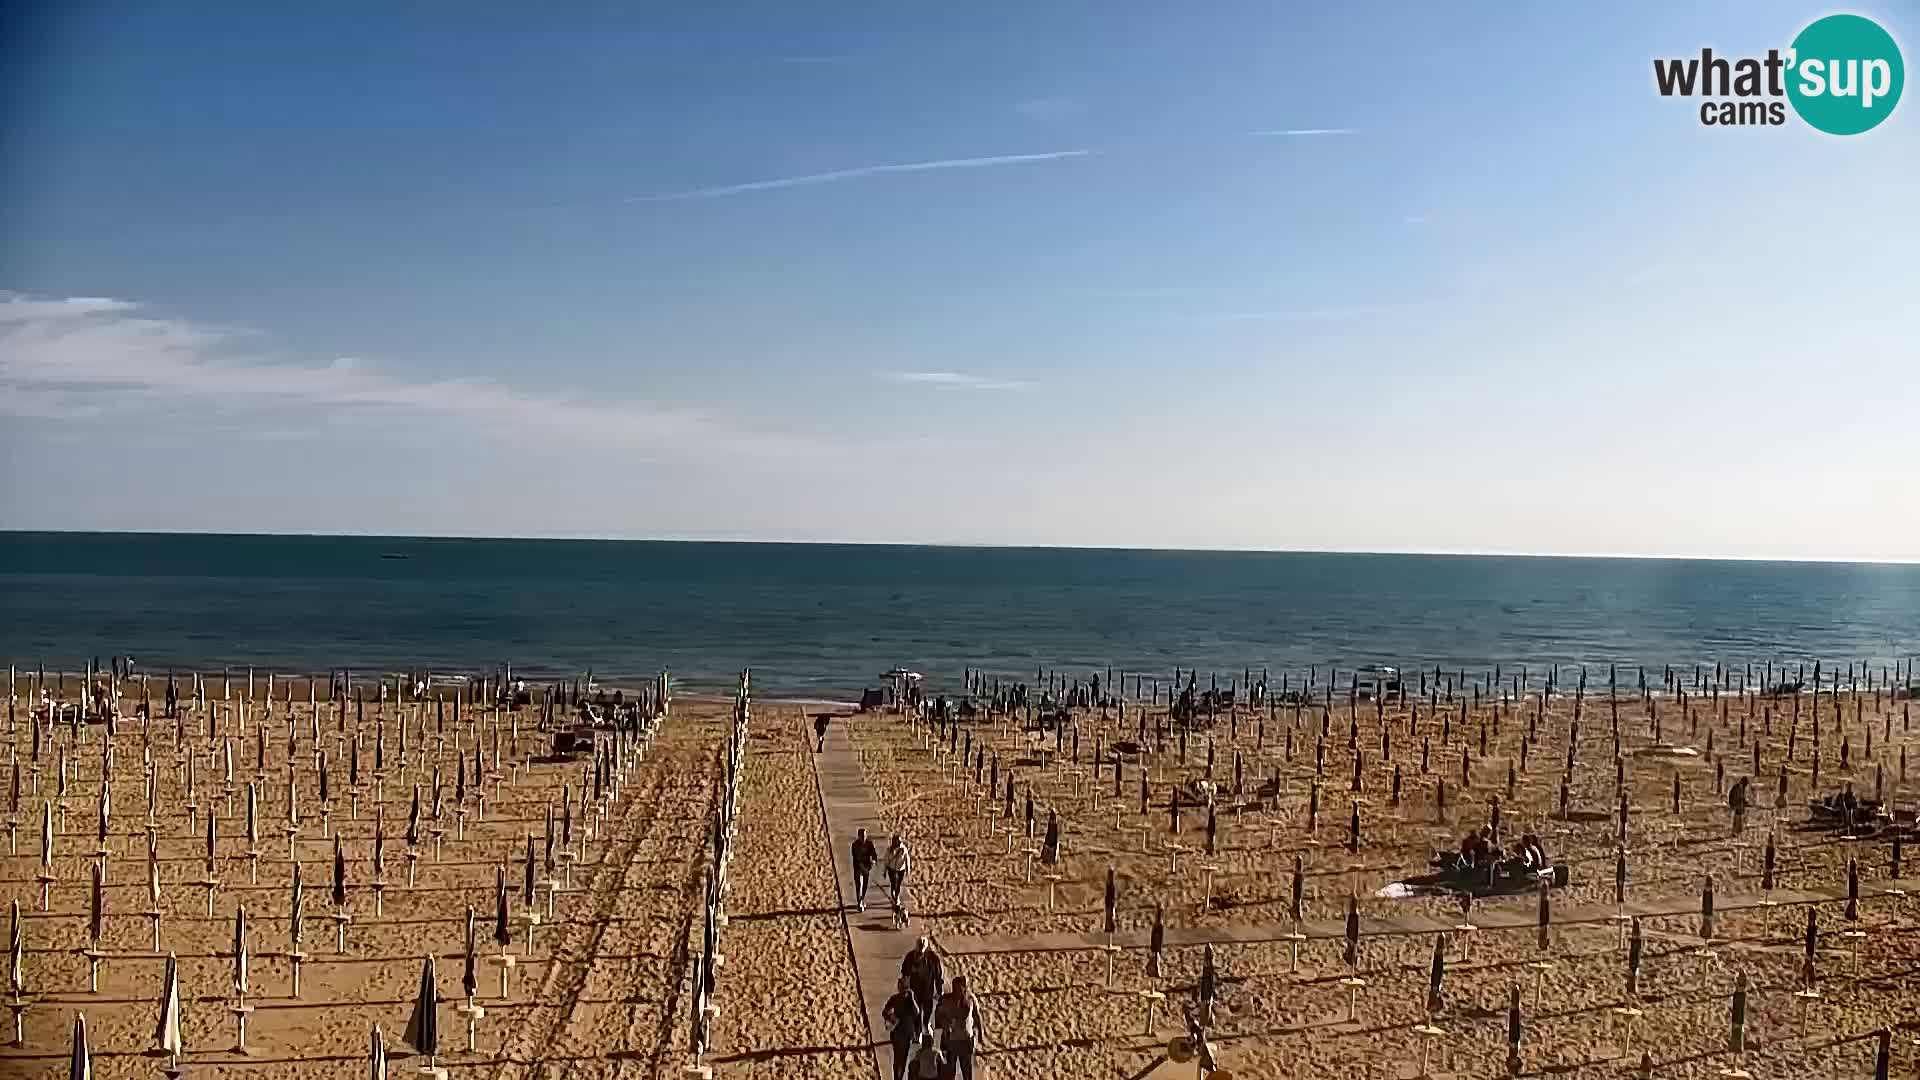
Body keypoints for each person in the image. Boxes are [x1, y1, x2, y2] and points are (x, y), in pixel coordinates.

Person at [935, 975, 984, 1080]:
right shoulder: (946, 1000)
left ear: (964, 987)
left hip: (966, 1041)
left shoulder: (971, 998)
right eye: (955, 988)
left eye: (960, 988)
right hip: (951, 1041)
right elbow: (938, 1017)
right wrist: (945, 1023)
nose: (957, 991)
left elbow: (977, 1016)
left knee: (966, 1071)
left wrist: (981, 1035)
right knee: (950, 1072)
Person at [881, 976, 924, 1080]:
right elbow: (884, 1012)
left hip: (907, 1032)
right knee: (897, 1058)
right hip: (897, 1031)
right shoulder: (894, 998)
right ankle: (897, 1077)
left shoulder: (911, 1000)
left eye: (903, 987)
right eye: (900, 987)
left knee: (903, 1058)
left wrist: (912, 998)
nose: (901, 990)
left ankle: (899, 1076)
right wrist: (891, 1017)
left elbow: (917, 1012)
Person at [901, 936, 945, 1021]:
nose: (920, 954)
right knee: (916, 1013)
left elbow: (938, 975)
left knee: (927, 1011)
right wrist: (904, 987)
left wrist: (940, 990)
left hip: (928, 990)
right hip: (915, 990)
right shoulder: (910, 957)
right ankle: (918, 1029)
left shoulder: (933, 959)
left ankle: (926, 1024)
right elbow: (904, 972)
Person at [851, 828, 879, 912]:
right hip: (858, 868)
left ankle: (862, 899)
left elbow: (874, 856)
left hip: (867, 867)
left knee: (865, 885)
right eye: (862, 836)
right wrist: (862, 866)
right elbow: (856, 858)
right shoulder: (855, 845)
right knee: (859, 884)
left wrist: (872, 862)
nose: (863, 837)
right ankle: (859, 902)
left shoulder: (870, 844)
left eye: (865, 835)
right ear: (858, 836)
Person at [885, 834, 912, 908]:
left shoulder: (903, 849)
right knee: (893, 883)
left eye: (900, 841)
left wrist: (907, 869)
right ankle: (895, 897)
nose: (900, 842)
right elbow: (886, 860)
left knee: (898, 884)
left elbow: (907, 860)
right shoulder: (890, 850)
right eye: (898, 841)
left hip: (901, 869)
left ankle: (896, 896)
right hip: (891, 869)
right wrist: (884, 871)